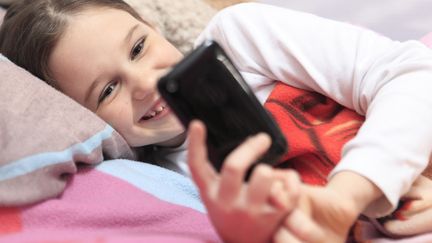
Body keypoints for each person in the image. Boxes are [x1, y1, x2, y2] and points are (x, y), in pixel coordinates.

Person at [1, 0, 432, 242]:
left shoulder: (239, 39)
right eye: (108, 90)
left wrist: (357, 190)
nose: (146, 83)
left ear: (152, 26)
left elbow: (411, 71)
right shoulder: (170, 184)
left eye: (138, 49)